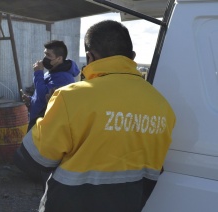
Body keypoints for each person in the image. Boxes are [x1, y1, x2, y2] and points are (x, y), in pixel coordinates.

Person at [14, 20, 176, 212]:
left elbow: (34, 158)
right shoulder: (163, 107)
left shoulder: (70, 97)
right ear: (132, 57)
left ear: (89, 57)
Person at [21, 40, 80, 132]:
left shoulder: (64, 77)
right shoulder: (51, 72)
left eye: (49, 55)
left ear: (59, 59)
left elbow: (44, 95)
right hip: (37, 120)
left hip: (47, 126)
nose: (45, 58)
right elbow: (41, 95)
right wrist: (31, 100)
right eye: (45, 54)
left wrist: (38, 72)